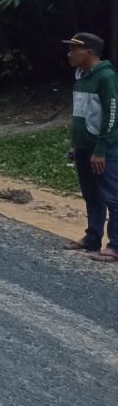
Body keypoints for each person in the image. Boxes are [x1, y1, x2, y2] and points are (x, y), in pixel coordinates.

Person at [60, 33, 118, 261]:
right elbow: (80, 115)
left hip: (103, 149)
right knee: (91, 195)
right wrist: (76, 144)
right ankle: (92, 237)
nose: (70, 54)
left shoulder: (106, 78)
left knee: (112, 196)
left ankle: (115, 245)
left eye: (74, 50)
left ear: (90, 52)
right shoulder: (81, 77)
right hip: (84, 147)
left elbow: (112, 115)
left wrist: (101, 149)